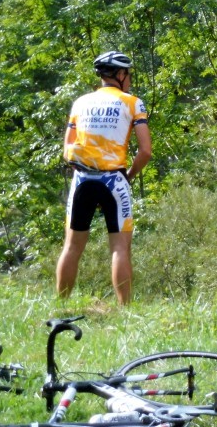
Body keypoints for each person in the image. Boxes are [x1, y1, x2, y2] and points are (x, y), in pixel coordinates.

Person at [56, 51, 152, 305]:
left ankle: (61, 305)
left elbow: (68, 149)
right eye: (128, 74)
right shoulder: (133, 102)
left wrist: (84, 171)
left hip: (83, 180)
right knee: (120, 248)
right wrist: (128, 176)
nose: (129, 79)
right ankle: (125, 309)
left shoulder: (80, 102)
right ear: (119, 75)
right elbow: (145, 151)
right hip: (114, 180)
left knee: (72, 247)